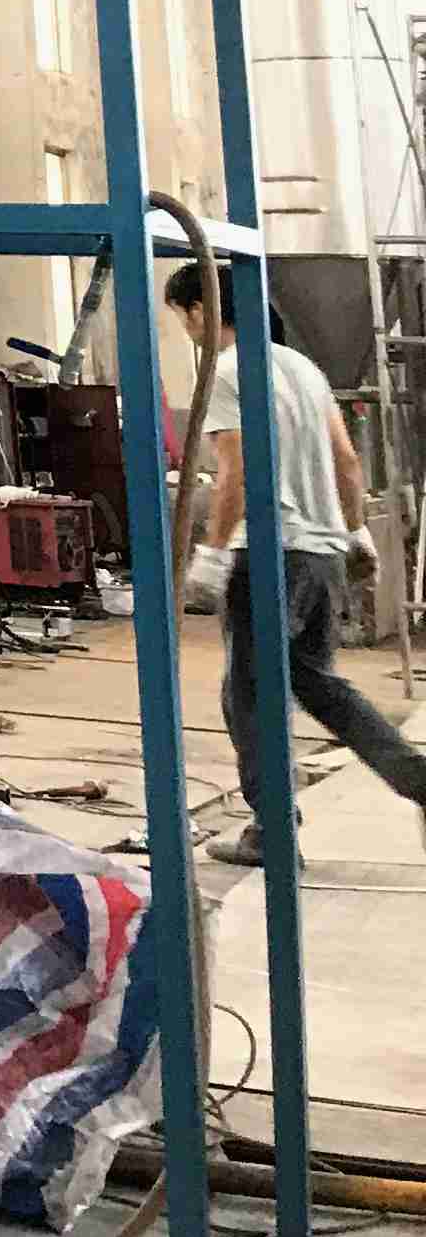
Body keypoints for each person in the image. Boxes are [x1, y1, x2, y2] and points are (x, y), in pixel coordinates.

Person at [165, 259, 426, 860]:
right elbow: (346, 460)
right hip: (321, 556)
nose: (186, 330)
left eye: (182, 317)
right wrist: (354, 533)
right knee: (317, 684)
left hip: (270, 555)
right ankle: (415, 776)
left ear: (201, 310)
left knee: (251, 698)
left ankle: (273, 833)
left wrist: (212, 554)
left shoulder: (228, 370)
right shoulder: (303, 368)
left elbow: (236, 470)